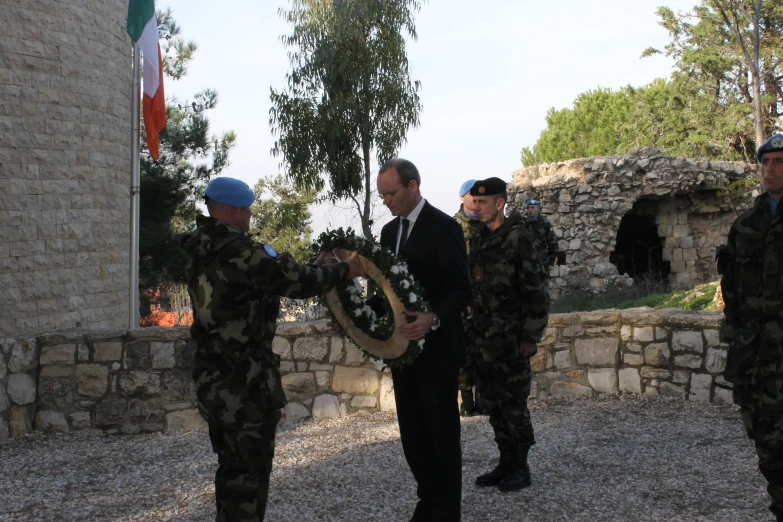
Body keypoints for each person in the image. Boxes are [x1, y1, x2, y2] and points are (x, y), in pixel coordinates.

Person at [180, 176, 364, 522]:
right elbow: (295, 283)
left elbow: (274, 275)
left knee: (231, 467)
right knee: (250, 472)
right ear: (235, 210)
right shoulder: (240, 251)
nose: (250, 215)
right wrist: (344, 270)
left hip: (213, 375)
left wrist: (315, 264)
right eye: (247, 209)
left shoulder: (200, 246)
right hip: (244, 381)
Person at [377, 159, 472, 521]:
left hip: (438, 351)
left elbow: (460, 291)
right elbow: (385, 294)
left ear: (413, 186)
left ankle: (447, 510)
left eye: (391, 193)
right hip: (403, 352)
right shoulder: (388, 233)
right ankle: (428, 500)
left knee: (441, 434)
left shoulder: (444, 227)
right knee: (413, 436)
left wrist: (432, 317)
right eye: (381, 194)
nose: (386, 200)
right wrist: (356, 319)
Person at [467, 177, 549, 492]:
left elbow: (537, 290)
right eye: (474, 202)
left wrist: (530, 336)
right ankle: (504, 462)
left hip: (512, 340)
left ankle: (521, 467)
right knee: (495, 405)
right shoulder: (481, 239)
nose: (476, 208)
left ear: (500, 203)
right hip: (485, 340)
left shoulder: (518, 238)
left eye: (483, 203)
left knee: (514, 405)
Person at [720, 134, 783, 521]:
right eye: (766, 163)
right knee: (768, 446)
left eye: (779, 162)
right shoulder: (744, 226)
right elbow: (732, 295)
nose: (770, 170)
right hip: (757, 360)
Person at [453, 180, 485, 417]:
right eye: (471, 195)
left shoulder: (488, 224)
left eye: (478, 196)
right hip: (462, 300)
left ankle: (482, 398)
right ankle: (466, 400)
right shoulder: (452, 227)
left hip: (484, 300)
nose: (475, 199)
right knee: (463, 352)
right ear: (462, 197)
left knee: (484, 349)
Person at [524, 199, 559, 284]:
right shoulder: (524, 223)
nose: (530, 210)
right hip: (527, 262)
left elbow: (553, 243)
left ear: (538, 209)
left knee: (543, 287)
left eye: (532, 208)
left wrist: (551, 262)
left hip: (542, 262)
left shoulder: (545, 223)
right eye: (528, 208)